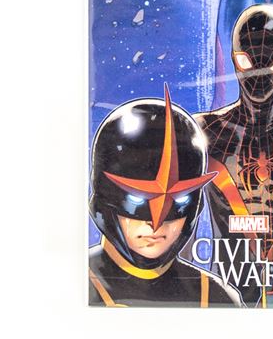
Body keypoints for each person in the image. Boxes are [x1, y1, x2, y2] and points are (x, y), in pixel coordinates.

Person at [190, 4, 273, 301]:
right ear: (234, 58)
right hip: (227, 291)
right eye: (247, 61)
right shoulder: (204, 131)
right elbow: (185, 219)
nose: (259, 77)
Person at [88, 87, 242, 307]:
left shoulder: (215, 296)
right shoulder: (71, 286)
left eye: (179, 199)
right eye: (137, 198)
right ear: (105, 200)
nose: (156, 224)